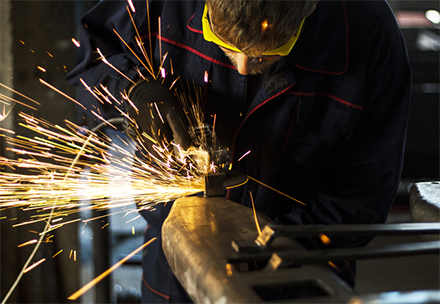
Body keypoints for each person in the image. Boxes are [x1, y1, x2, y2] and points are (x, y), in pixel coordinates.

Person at [67, 0, 411, 302]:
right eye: (221, 40)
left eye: (271, 50)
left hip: (297, 275)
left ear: (310, 5)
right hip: (174, 265)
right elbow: (92, 59)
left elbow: (363, 195)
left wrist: (269, 251)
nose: (245, 65)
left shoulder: (370, 33)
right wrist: (129, 93)